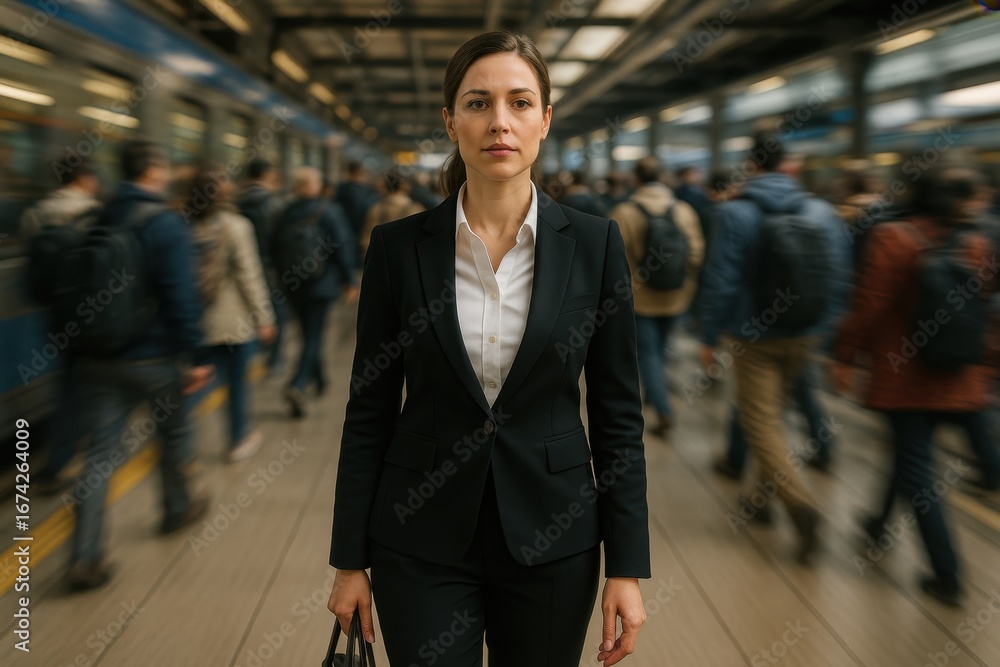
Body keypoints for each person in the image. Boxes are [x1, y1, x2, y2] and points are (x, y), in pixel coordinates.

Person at [326, 30, 650, 667]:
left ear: (545, 121)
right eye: (478, 103)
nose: (499, 122)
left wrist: (627, 567)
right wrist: (348, 561)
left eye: (520, 103)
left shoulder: (594, 244)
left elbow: (618, 416)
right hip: (419, 539)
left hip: (555, 540)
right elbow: (368, 411)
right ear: (450, 121)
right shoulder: (398, 248)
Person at [832, 167, 1000, 606]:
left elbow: (868, 305)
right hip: (958, 375)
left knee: (917, 470)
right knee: (909, 452)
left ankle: (947, 576)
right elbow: (986, 310)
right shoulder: (976, 242)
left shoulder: (892, 238)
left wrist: (844, 356)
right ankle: (877, 522)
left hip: (905, 378)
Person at [698, 131, 851, 564]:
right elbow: (842, 273)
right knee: (772, 415)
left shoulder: (734, 212)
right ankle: (758, 500)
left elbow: (722, 280)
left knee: (761, 423)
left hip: (755, 336)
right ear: (790, 166)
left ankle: (801, 507)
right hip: (807, 332)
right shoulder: (822, 210)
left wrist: (709, 336)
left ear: (752, 166)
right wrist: (828, 329)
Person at [67, 139, 212, 591]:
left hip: (100, 357)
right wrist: (193, 355)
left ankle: (84, 557)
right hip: (155, 357)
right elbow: (180, 296)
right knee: (171, 438)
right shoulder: (165, 223)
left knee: (98, 456)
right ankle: (175, 509)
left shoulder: (99, 215)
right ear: (153, 169)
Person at [182, 162, 277, 462]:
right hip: (233, 324)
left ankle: (178, 448)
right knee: (237, 385)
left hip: (196, 321)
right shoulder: (237, 226)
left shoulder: (181, 225)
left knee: (197, 384)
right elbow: (250, 276)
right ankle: (238, 441)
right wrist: (264, 318)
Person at [21, 156, 102, 494]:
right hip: (91, 313)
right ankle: (65, 459)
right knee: (82, 386)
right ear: (85, 178)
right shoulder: (97, 213)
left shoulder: (34, 215)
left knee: (67, 379)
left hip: (54, 313)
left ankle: (63, 455)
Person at [611, 157, 704, 436]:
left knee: (647, 354)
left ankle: (662, 407)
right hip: (677, 296)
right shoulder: (684, 210)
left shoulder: (624, 212)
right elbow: (697, 253)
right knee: (660, 350)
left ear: (636, 179)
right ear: (662, 177)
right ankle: (656, 392)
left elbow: (614, 259)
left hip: (640, 299)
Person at [272, 167, 359, 418]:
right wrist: (349, 280)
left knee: (309, 332)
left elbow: (274, 246)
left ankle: (320, 380)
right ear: (316, 186)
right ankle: (297, 385)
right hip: (321, 284)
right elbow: (341, 245)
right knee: (313, 335)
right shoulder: (328, 210)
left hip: (293, 285)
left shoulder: (286, 212)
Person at [237, 159, 288, 374]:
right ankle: (275, 359)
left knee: (250, 310)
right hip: (270, 265)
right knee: (276, 311)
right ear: (267, 175)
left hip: (245, 263)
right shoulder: (274, 203)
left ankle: (252, 353)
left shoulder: (237, 202)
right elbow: (281, 238)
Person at [358, 169, 424, 258]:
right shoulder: (416, 209)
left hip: (382, 260)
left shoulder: (376, 208)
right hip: (408, 260)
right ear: (404, 186)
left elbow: (367, 239)